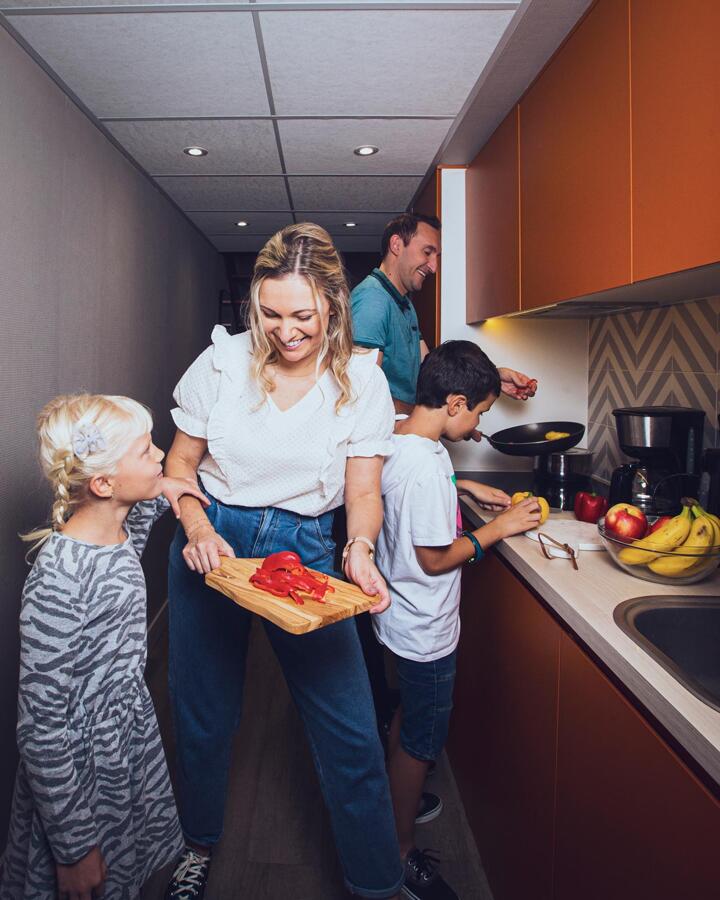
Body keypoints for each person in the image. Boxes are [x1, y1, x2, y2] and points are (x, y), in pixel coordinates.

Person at [163, 223, 405, 900]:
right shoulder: (221, 363)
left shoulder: (362, 378)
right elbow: (180, 464)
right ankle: (198, 846)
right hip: (212, 538)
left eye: (302, 315)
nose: (286, 331)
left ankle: (376, 884)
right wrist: (197, 524)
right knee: (204, 710)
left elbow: (362, 491)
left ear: (331, 303)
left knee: (350, 730)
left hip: (305, 546)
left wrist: (358, 548)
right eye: (269, 313)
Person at [0, 393, 208, 900]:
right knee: (89, 876)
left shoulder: (114, 536)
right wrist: (73, 846)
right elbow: (41, 726)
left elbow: (132, 529)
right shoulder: (60, 578)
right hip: (80, 765)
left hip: (122, 742)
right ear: (103, 483)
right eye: (146, 451)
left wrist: (166, 489)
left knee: (122, 868)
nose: (161, 454)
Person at [373, 342, 542, 900]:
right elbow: (433, 557)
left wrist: (462, 485)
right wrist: (502, 526)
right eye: (479, 413)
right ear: (454, 401)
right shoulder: (423, 466)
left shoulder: (401, 437)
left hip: (399, 620)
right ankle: (398, 855)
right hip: (427, 631)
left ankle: (397, 799)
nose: (477, 425)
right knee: (423, 741)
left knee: (407, 724)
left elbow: (420, 489)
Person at [350, 212, 538, 415]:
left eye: (436, 257)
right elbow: (362, 395)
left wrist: (492, 378)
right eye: (427, 252)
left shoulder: (403, 303)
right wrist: (429, 420)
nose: (433, 267)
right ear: (396, 245)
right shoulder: (372, 301)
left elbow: (432, 369)